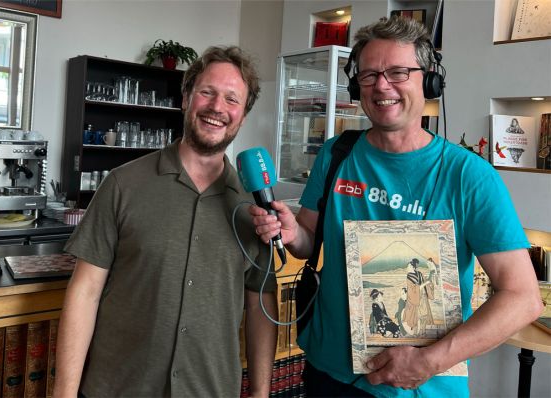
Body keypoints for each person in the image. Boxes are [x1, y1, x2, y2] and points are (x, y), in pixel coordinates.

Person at [250, 16, 543, 396]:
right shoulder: (337, 153)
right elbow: (309, 241)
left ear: (430, 81)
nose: (382, 85)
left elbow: (523, 298)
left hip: (421, 386)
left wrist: (427, 363)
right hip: (328, 372)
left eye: (398, 72)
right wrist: (294, 234)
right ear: (357, 87)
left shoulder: (469, 176)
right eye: (369, 75)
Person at [54, 46, 278, 397]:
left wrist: (262, 394)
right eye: (207, 92)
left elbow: (260, 305)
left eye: (232, 99)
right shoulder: (122, 184)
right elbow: (85, 292)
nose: (218, 107)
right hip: (118, 388)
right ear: (186, 97)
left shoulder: (255, 208)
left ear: (244, 116)